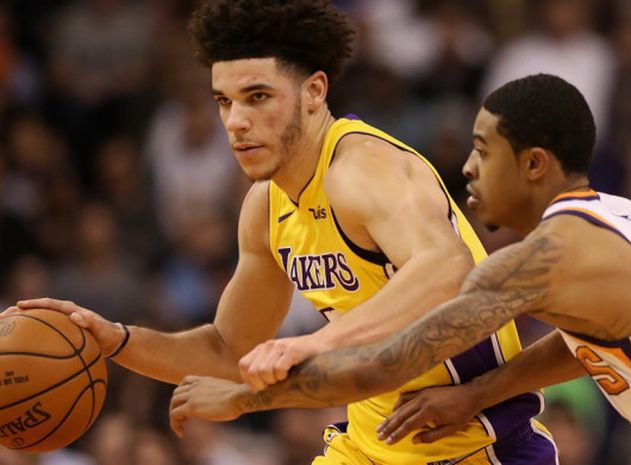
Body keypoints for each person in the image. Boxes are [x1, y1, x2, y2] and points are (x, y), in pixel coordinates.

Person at [7, 2, 557, 464]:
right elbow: (229, 350)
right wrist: (119, 341)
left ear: (314, 91)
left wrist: (315, 342)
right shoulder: (265, 208)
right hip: (368, 443)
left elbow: (446, 266)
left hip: (472, 444)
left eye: (257, 97)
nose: (235, 121)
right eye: (224, 101)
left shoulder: (362, 168)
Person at [169, 74, 631, 465]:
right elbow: (587, 343)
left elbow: (382, 368)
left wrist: (242, 397)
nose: (466, 169)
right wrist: (476, 394)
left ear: (534, 164)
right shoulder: (622, 219)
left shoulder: (540, 262)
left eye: (483, 152)